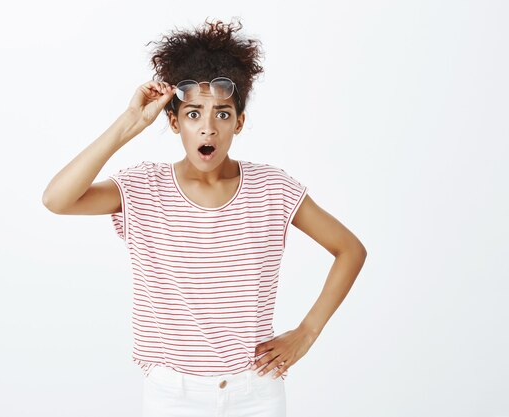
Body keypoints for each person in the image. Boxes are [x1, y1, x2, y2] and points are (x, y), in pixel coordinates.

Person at [42, 17, 367, 417]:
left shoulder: (273, 189)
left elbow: (349, 249)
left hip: (256, 392)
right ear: (175, 122)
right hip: (172, 396)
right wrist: (130, 123)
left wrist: (307, 332)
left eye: (223, 114)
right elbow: (57, 199)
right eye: (194, 114)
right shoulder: (144, 187)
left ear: (240, 122)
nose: (208, 129)